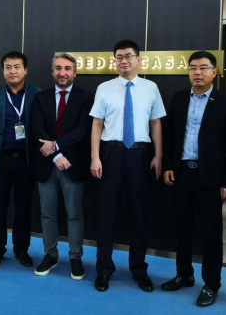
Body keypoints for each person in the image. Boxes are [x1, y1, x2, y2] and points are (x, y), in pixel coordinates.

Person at [162, 51, 226, 307]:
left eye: (203, 68)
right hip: (182, 172)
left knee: (211, 233)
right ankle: (184, 274)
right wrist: (169, 166)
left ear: (214, 72)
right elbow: (170, 135)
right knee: (182, 228)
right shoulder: (179, 98)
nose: (197, 72)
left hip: (211, 178)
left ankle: (211, 283)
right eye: (193, 68)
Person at [90, 39, 165, 293]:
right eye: (119, 57)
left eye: (129, 56)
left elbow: (156, 123)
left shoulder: (151, 87)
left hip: (140, 155)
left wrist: (158, 155)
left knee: (139, 215)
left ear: (138, 60)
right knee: (107, 214)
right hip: (110, 154)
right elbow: (97, 124)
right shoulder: (104, 88)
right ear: (115, 61)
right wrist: (95, 156)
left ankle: (139, 270)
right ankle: (104, 270)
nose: (124, 61)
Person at [31, 53, 93, 280]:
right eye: (58, 68)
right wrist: (56, 155)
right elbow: (37, 130)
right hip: (47, 164)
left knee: (74, 215)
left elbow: (83, 130)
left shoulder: (86, 98)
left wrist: (56, 146)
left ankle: (75, 257)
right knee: (47, 214)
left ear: (75, 73)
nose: (62, 73)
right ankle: (51, 255)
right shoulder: (41, 98)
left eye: (67, 69)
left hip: (73, 165)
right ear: (52, 72)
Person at [0, 51, 41, 270]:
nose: (12, 71)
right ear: (3, 71)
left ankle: (21, 249)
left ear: (25, 70)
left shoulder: (36, 94)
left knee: (24, 208)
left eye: (17, 67)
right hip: (1, 160)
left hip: (26, 161)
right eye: (8, 67)